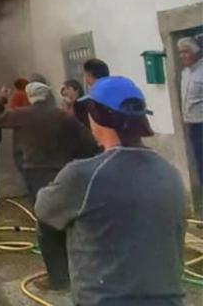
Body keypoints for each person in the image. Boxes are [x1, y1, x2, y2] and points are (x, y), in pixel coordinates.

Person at [36, 76, 185, 306]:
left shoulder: (82, 176)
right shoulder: (171, 175)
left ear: (97, 117)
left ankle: (57, 280)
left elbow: (44, 210)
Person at [0, 81, 98, 291]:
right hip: (63, 174)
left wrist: (2, 98)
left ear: (31, 97)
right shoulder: (63, 116)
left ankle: (57, 280)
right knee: (67, 222)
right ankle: (74, 273)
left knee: (45, 225)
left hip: (36, 174)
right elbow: (89, 143)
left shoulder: (22, 114)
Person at [178, 36, 203, 187]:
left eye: (186, 51)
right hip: (192, 126)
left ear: (195, 52)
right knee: (200, 161)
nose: (182, 56)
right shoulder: (184, 73)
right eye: (180, 52)